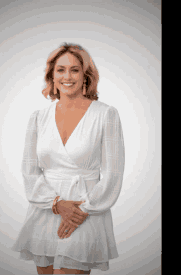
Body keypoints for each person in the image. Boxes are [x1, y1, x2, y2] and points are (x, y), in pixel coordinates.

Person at [11, 42, 125, 274]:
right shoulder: (38, 118)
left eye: (75, 69)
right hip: (45, 209)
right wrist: (55, 203)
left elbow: (114, 172)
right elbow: (29, 170)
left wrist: (83, 210)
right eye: (61, 69)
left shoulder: (105, 114)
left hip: (84, 210)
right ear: (52, 76)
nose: (67, 76)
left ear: (86, 75)